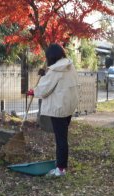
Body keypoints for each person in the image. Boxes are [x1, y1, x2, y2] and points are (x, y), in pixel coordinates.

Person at [27, 43, 79, 176]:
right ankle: (60, 164)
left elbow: (44, 89)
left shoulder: (55, 70)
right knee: (62, 137)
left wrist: (33, 91)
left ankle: (60, 169)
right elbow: (57, 83)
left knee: (60, 139)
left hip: (59, 108)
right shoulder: (69, 66)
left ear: (51, 56)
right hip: (68, 106)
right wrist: (45, 74)